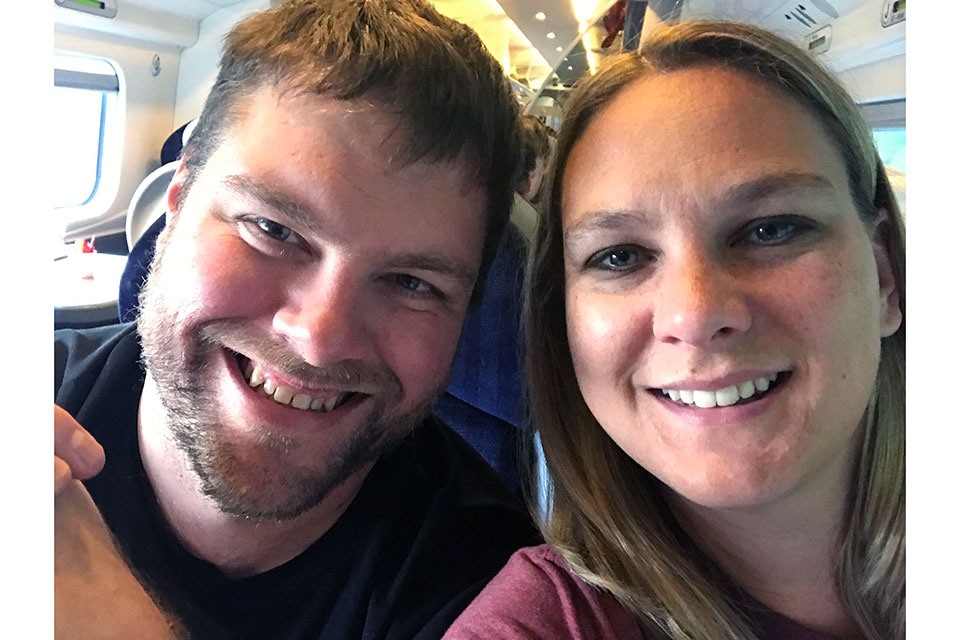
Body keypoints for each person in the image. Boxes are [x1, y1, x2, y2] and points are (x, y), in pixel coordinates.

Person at [53, 1, 539, 637]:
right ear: (177, 202)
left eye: (411, 283)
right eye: (273, 229)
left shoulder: (489, 587)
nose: (319, 339)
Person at [446, 20, 904, 640]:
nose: (695, 314)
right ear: (564, 326)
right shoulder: (541, 623)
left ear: (885, 277)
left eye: (770, 230)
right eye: (620, 257)